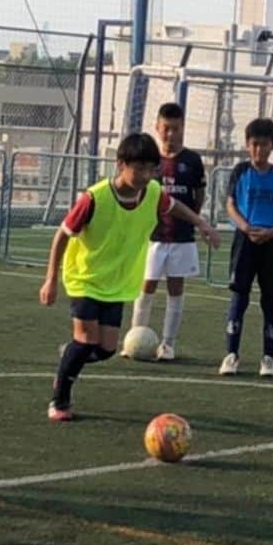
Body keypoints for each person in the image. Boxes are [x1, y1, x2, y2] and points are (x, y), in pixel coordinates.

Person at [40, 132, 219, 421]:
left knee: (107, 349)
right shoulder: (94, 198)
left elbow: (174, 207)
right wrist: (50, 279)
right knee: (86, 341)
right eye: (139, 168)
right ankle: (60, 400)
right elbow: (62, 235)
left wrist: (201, 223)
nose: (145, 175)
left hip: (117, 283)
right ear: (120, 164)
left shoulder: (151, 193)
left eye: (151, 169)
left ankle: (69, 357)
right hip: (85, 278)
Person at [221, 117, 273, 379]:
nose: (258, 150)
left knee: (270, 300)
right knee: (239, 297)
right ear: (247, 145)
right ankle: (231, 355)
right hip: (245, 242)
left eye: (263, 145)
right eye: (254, 145)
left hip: (272, 244)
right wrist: (245, 227)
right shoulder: (240, 172)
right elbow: (230, 204)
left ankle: (268, 357)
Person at [130, 102, 207, 362]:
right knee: (146, 286)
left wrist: (193, 219)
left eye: (176, 129)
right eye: (166, 129)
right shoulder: (151, 161)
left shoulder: (192, 161)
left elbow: (199, 194)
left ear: (183, 128)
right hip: (153, 236)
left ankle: (168, 344)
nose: (170, 134)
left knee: (176, 288)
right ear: (157, 128)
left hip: (181, 237)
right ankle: (134, 337)